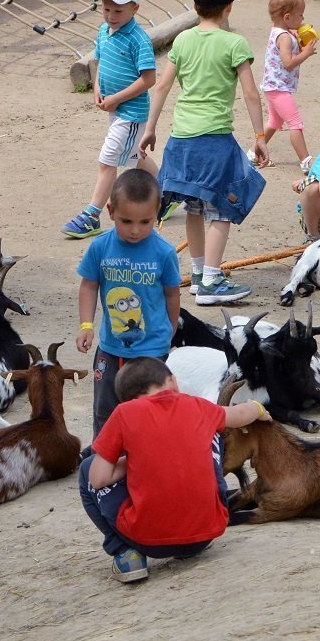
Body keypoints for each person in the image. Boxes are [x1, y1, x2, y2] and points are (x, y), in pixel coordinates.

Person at [138, 0, 268, 306]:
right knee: (221, 208)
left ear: (195, 5)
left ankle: (197, 274)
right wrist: (260, 135)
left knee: (194, 205)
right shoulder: (234, 43)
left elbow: (163, 85)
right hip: (214, 139)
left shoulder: (182, 40)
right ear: (229, 8)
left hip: (181, 138)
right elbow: (251, 94)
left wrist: (151, 127)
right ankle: (211, 280)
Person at [78, 356, 266, 583]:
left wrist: (137, 461)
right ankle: (193, 537)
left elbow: (98, 479)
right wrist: (258, 408)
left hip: (148, 541)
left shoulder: (124, 413)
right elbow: (239, 415)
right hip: (206, 533)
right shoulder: (198, 405)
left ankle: (125, 552)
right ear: (173, 382)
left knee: (87, 468)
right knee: (214, 434)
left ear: (126, 400)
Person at [75, 169, 181, 442]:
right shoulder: (100, 248)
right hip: (110, 349)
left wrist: (170, 328)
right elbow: (89, 285)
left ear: (158, 211)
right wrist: (86, 325)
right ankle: (105, 458)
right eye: (126, 221)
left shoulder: (164, 252)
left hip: (152, 351)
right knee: (105, 410)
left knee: (152, 412)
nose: (135, 230)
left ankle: (147, 459)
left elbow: (172, 294)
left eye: (145, 221)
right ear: (110, 211)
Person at [61, 0, 161, 240]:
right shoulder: (104, 32)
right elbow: (100, 62)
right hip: (115, 110)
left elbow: (149, 79)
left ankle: (91, 216)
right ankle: (168, 190)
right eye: (106, 9)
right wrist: (96, 88)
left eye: (118, 10)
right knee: (134, 158)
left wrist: (117, 98)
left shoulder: (138, 39)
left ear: (135, 8)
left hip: (131, 113)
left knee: (108, 161)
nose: (111, 15)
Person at [257, 0, 317, 172]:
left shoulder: (281, 32)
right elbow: (288, 63)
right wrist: (306, 53)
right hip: (279, 88)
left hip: (273, 86)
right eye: (300, 15)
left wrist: (301, 40)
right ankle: (306, 160)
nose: (303, 19)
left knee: (274, 123)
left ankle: (253, 153)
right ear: (287, 18)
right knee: (295, 123)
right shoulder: (283, 36)